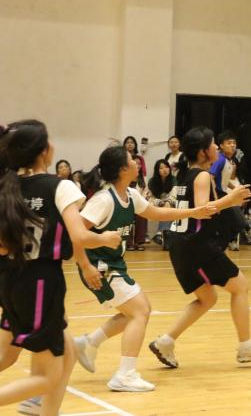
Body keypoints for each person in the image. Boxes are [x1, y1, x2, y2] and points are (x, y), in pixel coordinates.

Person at [0, 120, 121, 416]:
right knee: (48, 376)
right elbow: (79, 236)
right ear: (43, 151)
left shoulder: (7, 186)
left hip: (10, 279)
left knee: (65, 355)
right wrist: (106, 238)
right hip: (41, 281)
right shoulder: (60, 186)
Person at [73, 145, 215, 392]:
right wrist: (86, 266)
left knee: (137, 311)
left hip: (114, 264)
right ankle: (124, 375)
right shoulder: (103, 200)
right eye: (132, 160)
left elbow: (157, 213)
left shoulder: (130, 194)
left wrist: (194, 212)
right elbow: (75, 234)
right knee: (140, 311)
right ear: (122, 169)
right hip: (99, 267)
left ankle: (89, 343)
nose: (137, 163)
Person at [148, 127, 251, 368]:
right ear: (203, 152)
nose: (216, 146)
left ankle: (165, 341)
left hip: (182, 246)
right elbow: (203, 210)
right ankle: (246, 346)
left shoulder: (186, 175)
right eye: (213, 144)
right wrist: (231, 200)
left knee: (207, 298)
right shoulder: (202, 176)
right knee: (240, 286)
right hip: (196, 247)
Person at [211, 131, 246, 251]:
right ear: (221, 145)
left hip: (223, 193)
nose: (232, 145)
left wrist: (236, 189)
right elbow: (210, 176)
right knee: (238, 222)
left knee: (232, 225)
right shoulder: (220, 159)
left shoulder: (230, 161)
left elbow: (225, 180)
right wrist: (215, 197)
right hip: (218, 194)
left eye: (234, 143)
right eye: (229, 143)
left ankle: (220, 248)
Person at [122, 136, 148, 251]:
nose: (129, 144)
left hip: (139, 202)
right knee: (127, 216)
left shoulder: (143, 178)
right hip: (126, 202)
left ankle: (139, 241)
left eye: (132, 142)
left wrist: (141, 201)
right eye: (127, 142)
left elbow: (145, 192)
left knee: (141, 214)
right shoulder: (124, 176)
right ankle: (128, 242)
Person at [146, 160, 176, 249]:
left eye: (166, 167)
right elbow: (150, 197)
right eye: (161, 168)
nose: (164, 170)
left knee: (167, 206)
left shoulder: (174, 180)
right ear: (157, 170)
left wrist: (167, 202)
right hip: (156, 203)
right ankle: (165, 238)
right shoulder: (152, 181)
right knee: (164, 207)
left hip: (171, 203)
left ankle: (160, 233)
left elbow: (174, 195)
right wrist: (159, 202)